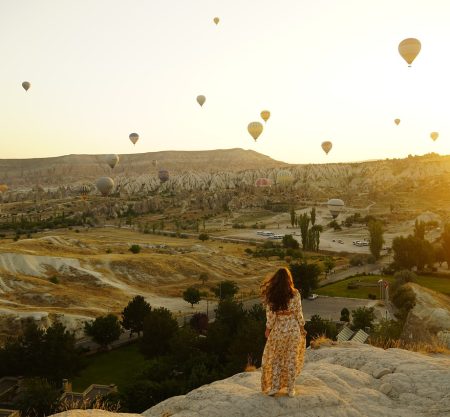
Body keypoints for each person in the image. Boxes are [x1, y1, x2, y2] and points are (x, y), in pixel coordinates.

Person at [261, 267, 306, 397]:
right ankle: (290, 389)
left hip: (279, 330)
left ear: (275, 280)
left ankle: (275, 387)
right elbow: (298, 312)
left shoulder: (272, 295)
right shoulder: (295, 293)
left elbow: (271, 316)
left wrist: (268, 329)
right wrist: (302, 327)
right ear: (289, 280)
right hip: (293, 329)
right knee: (292, 359)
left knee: (276, 359)